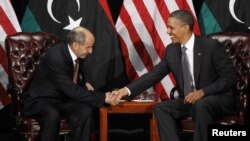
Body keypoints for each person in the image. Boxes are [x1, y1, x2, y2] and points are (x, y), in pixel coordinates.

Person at [113, 10, 237, 141]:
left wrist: (202, 92)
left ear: (185, 28)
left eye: (171, 27)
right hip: (188, 100)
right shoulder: (172, 50)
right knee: (161, 108)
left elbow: (229, 78)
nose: (167, 31)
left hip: (214, 98)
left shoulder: (211, 46)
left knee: (201, 105)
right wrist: (125, 90)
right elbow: (153, 75)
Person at [23, 26, 116, 141]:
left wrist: (86, 81)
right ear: (76, 45)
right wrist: (103, 97)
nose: (91, 51)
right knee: (52, 115)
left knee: (85, 111)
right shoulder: (56, 57)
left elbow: (81, 69)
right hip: (42, 99)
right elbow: (70, 89)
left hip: (63, 99)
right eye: (89, 47)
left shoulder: (77, 53)